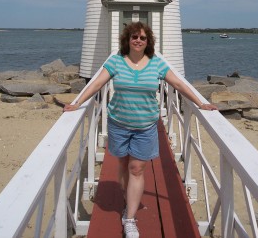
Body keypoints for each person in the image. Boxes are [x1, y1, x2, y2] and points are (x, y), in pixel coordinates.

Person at [64, 22, 218, 238]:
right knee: (123, 165)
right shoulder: (116, 61)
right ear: (127, 40)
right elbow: (97, 84)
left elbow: (180, 85)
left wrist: (201, 103)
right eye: (134, 37)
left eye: (142, 38)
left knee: (136, 168)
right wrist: (77, 102)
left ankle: (129, 218)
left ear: (149, 42)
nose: (138, 40)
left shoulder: (156, 64)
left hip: (145, 127)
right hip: (118, 124)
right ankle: (129, 197)